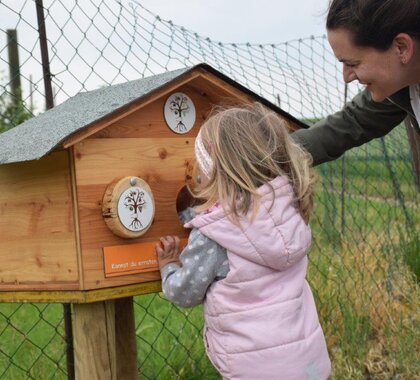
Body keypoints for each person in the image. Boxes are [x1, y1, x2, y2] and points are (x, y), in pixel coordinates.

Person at [155, 103, 331, 379]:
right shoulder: (291, 208)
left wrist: (168, 265)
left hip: (255, 370)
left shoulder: (216, 232)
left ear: (213, 169)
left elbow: (184, 292)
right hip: (307, 363)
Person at [292, 0, 420, 166]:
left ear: (401, 48)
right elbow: (352, 121)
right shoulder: (402, 86)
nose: (346, 77)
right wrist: (267, 155)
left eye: (353, 64)